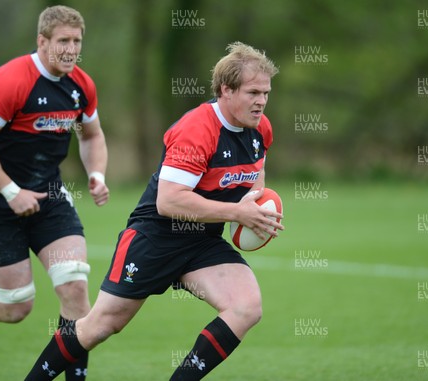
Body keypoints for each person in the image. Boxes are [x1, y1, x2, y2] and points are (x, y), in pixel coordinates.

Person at [25, 41, 283, 380]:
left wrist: (257, 206)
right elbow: (170, 201)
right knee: (102, 325)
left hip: (202, 240)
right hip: (155, 237)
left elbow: (256, 173)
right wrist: (237, 213)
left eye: (265, 92)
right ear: (226, 89)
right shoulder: (197, 130)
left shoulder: (259, 128)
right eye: (253, 92)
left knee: (246, 306)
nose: (261, 101)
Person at [0, 5, 108, 381]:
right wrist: (10, 190)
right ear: (42, 41)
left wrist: (96, 173)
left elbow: (93, 134)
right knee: (16, 306)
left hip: (49, 195)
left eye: (77, 41)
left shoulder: (81, 86)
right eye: (63, 41)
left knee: (75, 288)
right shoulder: (10, 82)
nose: (71, 49)